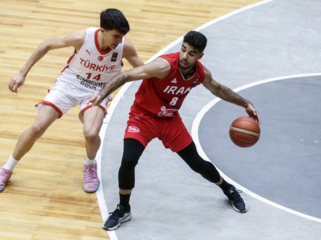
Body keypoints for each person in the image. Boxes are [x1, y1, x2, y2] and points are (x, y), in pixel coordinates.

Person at [87, 30, 261, 230]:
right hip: (143, 117)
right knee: (128, 159)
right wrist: (100, 95)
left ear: (200, 56)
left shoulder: (200, 73)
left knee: (196, 163)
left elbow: (218, 89)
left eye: (191, 53)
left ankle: (229, 189)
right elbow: (126, 75)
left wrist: (245, 104)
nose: (185, 56)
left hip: (170, 120)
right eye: (183, 50)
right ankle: (123, 209)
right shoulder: (163, 66)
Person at [0, 8, 143, 194]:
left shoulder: (124, 47)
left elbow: (142, 70)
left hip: (97, 91)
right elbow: (46, 44)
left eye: (121, 36)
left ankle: (89, 165)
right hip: (68, 84)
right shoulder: (82, 38)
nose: (119, 41)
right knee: (38, 127)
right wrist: (22, 72)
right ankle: (7, 169)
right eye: (116, 36)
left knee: (91, 133)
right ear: (102, 31)